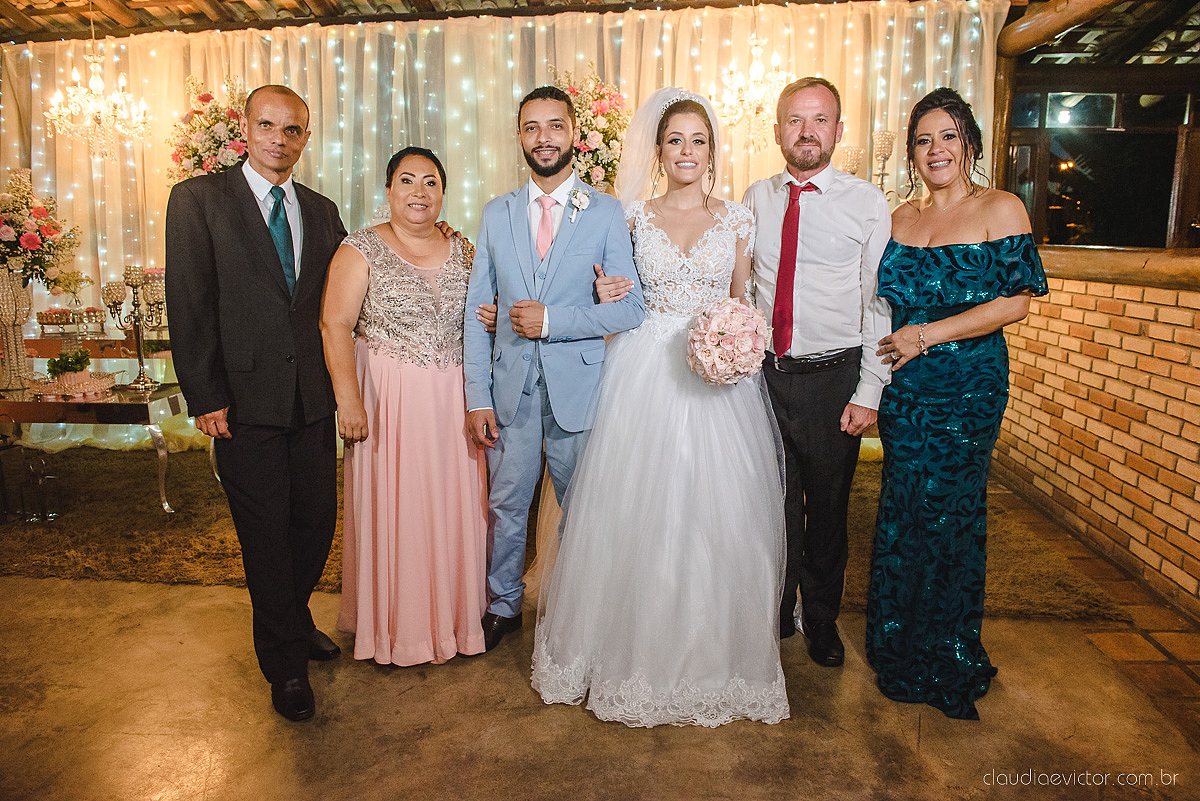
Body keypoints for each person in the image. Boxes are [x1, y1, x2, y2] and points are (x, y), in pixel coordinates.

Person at [531, 89, 789, 728]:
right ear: (658, 149)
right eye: (675, 140)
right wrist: (610, 288)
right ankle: (624, 654)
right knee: (635, 511)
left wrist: (735, 342)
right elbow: (615, 292)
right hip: (644, 371)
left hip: (715, 377)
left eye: (698, 141)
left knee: (716, 516)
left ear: (712, 151)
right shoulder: (631, 218)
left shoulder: (736, 221)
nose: (686, 152)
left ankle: (710, 660)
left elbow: (741, 300)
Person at [166, 85, 347, 722]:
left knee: (317, 521)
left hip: (312, 401)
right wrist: (205, 393)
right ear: (245, 127)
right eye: (266, 125)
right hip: (241, 403)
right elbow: (188, 304)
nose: (278, 138)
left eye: (292, 129)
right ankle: (285, 666)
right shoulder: (198, 200)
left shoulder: (323, 212)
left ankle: (290, 624)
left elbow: (342, 301)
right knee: (266, 535)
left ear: (306, 136)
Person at [866, 87, 1048, 720]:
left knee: (953, 511)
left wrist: (927, 335)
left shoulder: (1001, 208)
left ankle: (948, 652)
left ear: (968, 141)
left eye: (947, 136)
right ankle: (897, 646)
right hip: (903, 388)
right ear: (912, 153)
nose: (935, 149)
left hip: (968, 386)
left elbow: (1015, 303)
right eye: (923, 140)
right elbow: (875, 304)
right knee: (902, 506)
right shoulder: (896, 219)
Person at [462, 86, 645, 652]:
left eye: (555, 126)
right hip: (509, 390)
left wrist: (553, 320)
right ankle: (503, 604)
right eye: (532, 127)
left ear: (574, 134)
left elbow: (631, 307)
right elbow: (477, 310)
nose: (545, 137)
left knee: (582, 505)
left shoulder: (608, 212)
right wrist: (477, 397)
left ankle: (580, 609)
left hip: (580, 389)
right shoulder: (496, 213)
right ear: (520, 136)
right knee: (507, 502)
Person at [742, 77, 892, 667]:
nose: (807, 132)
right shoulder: (756, 197)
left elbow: (877, 304)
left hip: (835, 378)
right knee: (772, 503)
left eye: (820, 120)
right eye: (795, 120)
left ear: (837, 129)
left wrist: (869, 391)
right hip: (766, 377)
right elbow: (749, 287)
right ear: (777, 129)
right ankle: (777, 610)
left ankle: (822, 620)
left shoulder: (866, 203)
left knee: (828, 509)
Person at [320, 147, 487, 665]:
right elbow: (335, 326)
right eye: (408, 181)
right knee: (401, 509)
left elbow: (485, 317)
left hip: (453, 401)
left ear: (443, 192)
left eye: (430, 182)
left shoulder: (465, 249)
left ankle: (455, 623)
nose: (419, 192)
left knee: (455, 507)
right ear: (388, 190)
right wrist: (348, 400)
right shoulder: (359, 249)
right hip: (388, 403)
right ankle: (398, 629)